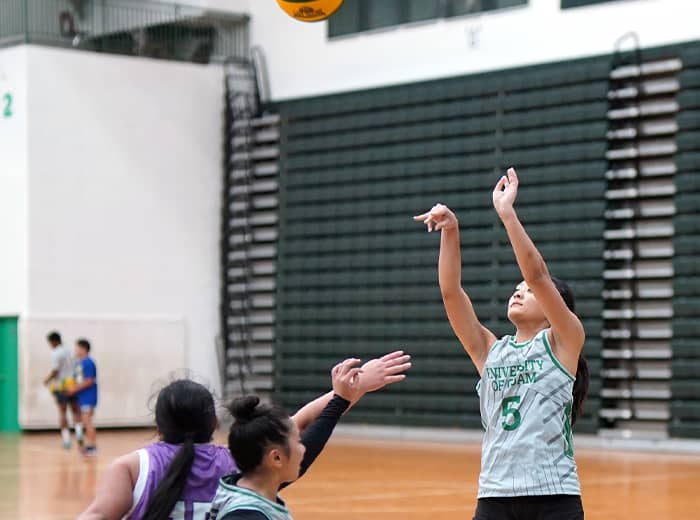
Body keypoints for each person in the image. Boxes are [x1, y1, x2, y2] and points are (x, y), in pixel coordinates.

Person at [414, 167, 588, 520]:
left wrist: (507, 213)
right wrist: (451, 230)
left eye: (527, 292)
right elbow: (451, 294)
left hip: (554, 496)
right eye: (517, 289)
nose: (518, 290)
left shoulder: (565, 342)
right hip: (494, 495)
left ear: (555, 304)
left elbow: (536, 274)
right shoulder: (491, 351)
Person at [76, 350, 411, 520]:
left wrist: (344, 394)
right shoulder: (235, 460)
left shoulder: (132, 466)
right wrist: (349, 391)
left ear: (158, 425)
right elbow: (301, 423)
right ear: (213, 425)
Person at [209, 359, 363, 519]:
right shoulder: (245, 514)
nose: (304, 448)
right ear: (276, 457)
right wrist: (341, 398)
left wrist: (343, 397)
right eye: (298, 442)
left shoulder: (250, 494)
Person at [43, 330, 83, 449]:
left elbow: (55, 371)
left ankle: (66, 440)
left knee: (62, 412)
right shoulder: (70, 351)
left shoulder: (55, 353)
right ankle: (79, 434)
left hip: (62, 384)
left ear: (54, 341)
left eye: (50, 343)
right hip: (72, 382)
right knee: (76, 410)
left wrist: (47, 380)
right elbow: (77, 367)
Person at [67, 338, 98, 456]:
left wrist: (74, 389)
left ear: (83, 349)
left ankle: (93, 446)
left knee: (87, 421)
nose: (75, 350)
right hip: (81, 397)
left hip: (88, 397)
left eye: (77, 348)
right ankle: (85, 445)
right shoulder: (79, 363)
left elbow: (89, 381)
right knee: (82, 422)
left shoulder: (88, 362)